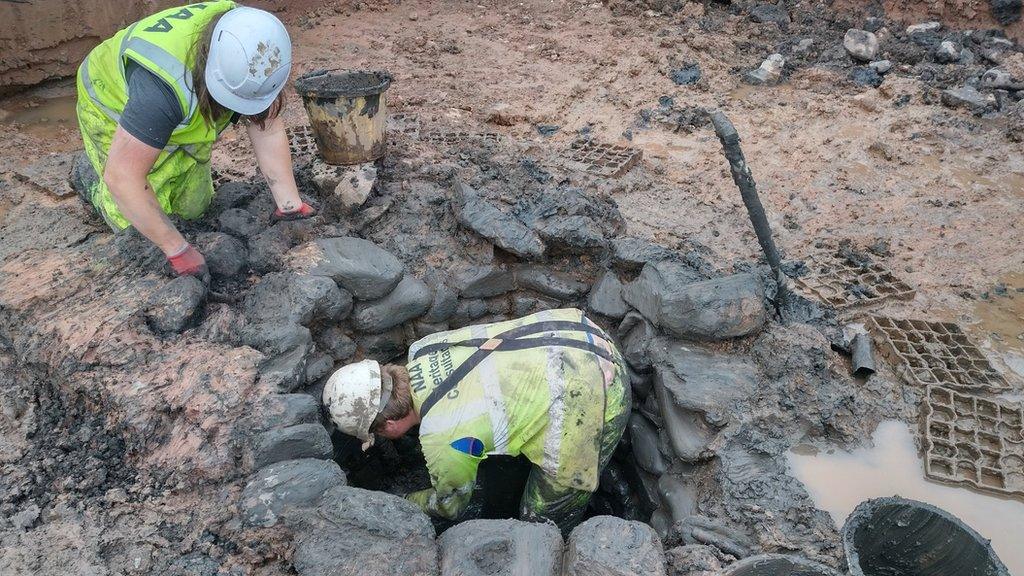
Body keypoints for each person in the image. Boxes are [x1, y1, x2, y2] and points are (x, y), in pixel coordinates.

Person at [322, 308, 631, 533]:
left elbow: (450, 505)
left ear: (388, 426)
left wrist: (406, 500)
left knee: (539, 522)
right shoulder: (427, 347)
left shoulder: (443, 436)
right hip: (580, 333)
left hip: (598, 393)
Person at [75, 1, 316, 278]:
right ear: (212, 75)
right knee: (137, 231)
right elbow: (124, 178)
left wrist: (290, 206)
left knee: (194, 209)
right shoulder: (162, 91)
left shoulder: (254, 42)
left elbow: (268, 129)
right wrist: (176, 249)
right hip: (115, 101)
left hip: (182, 105)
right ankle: (89, 179)